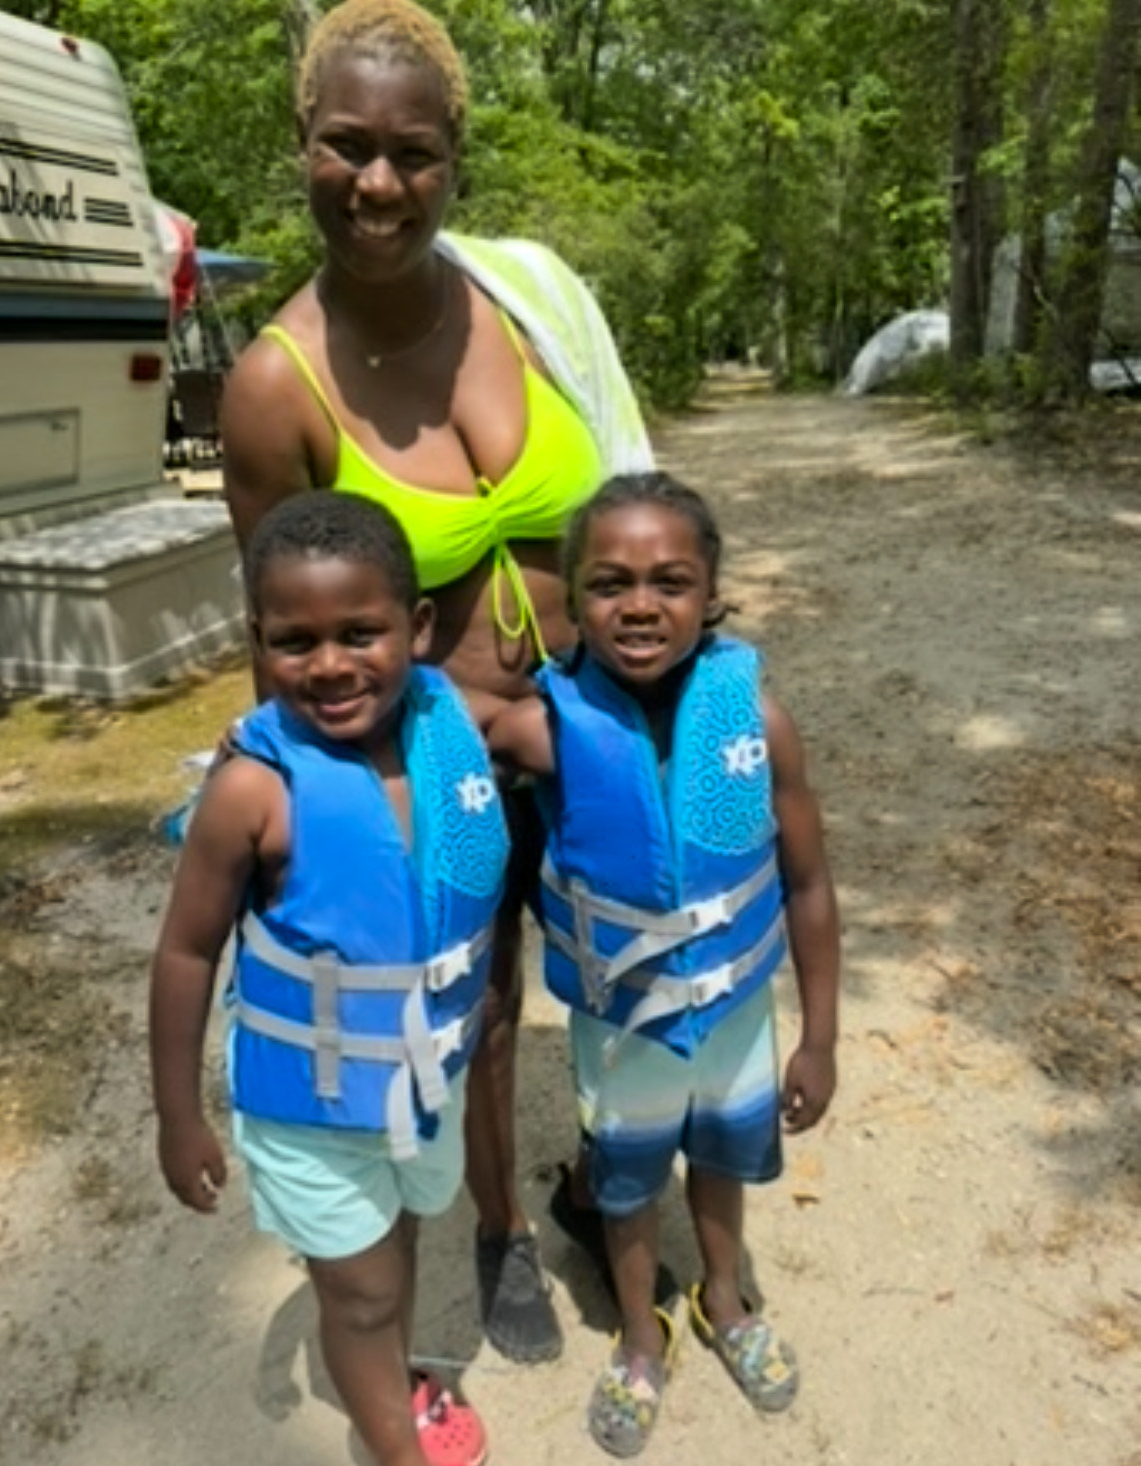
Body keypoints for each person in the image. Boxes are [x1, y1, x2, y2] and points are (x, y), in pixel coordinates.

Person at [220, 0, 652, 1363]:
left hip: (595, 720)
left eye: (412, 151)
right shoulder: (273, 387)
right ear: (302, 146)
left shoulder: (532, 293)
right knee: (476, 999)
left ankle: (600, 1184)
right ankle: (494, 1227)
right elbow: (284, 635)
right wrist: (314, 824)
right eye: (345, 146)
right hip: (436, 761)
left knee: (637, 967)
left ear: (454, 158)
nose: (378, 183)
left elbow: (636, 491)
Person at [149, 492, 510, 1466]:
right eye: (295, 641)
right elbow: (186, 951)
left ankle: (391, 1379)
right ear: (258, 642)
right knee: (359, 1293)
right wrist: (177, 1114)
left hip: (426, 1082)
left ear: (418, 628)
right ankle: (394, 1443)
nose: (332, 664)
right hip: (311, 1109)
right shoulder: (251, 789)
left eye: (361, 632)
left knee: (396, 1249)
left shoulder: (450, 729)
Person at [487, 472, 841, 1457]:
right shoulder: (539, 727)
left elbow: (809, 885)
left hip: (734, 1016)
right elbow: (410, 749)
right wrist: (271, 747)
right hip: (625, 1024)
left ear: (713, 593)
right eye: (609, 582)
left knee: (724, 1164)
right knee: (629, 1182)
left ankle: (725, 1301)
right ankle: (642, 1336)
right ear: (574, 598)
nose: (640, 604)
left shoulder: (759, 722)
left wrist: (820, 1036)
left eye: (670, 580)